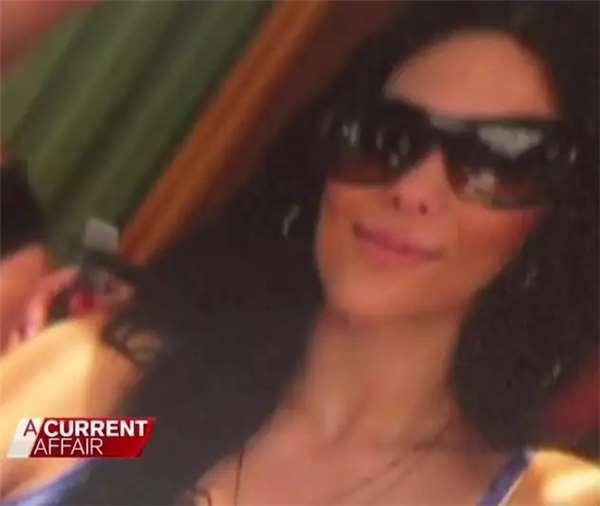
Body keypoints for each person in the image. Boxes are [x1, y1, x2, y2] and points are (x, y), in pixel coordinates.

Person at [7, 1, 600, 504]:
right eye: (386, 137)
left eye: (497, 161)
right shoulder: (113, 413)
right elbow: (26, 441)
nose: (413, 189)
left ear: (558, 218)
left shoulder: (548, 497)